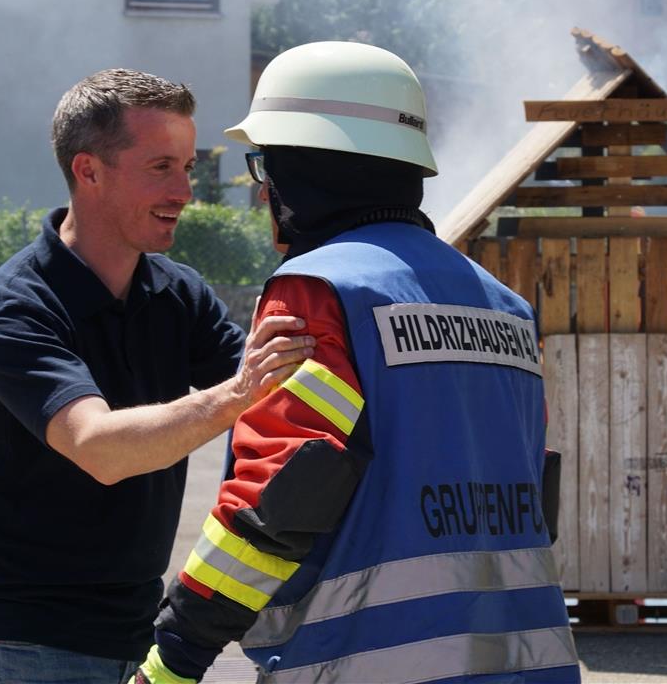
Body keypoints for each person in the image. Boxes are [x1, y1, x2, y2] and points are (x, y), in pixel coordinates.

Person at [132, 42, 579, 683]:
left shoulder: (320, 291)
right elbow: (530, 490)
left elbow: (278, 501)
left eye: (269, 167)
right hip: (528, 663)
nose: (265, 196)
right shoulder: (503, 306)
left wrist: (174, 658)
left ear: (309, 169)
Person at [0, 69, 314, 683]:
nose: (186, 190)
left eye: (190, 167)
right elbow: (100, 449)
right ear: (88, 171)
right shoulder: (13, 308)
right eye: (161, 166)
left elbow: (289, 397)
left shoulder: (179, 293)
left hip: (137, 639)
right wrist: (238, 393)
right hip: (20, 644)